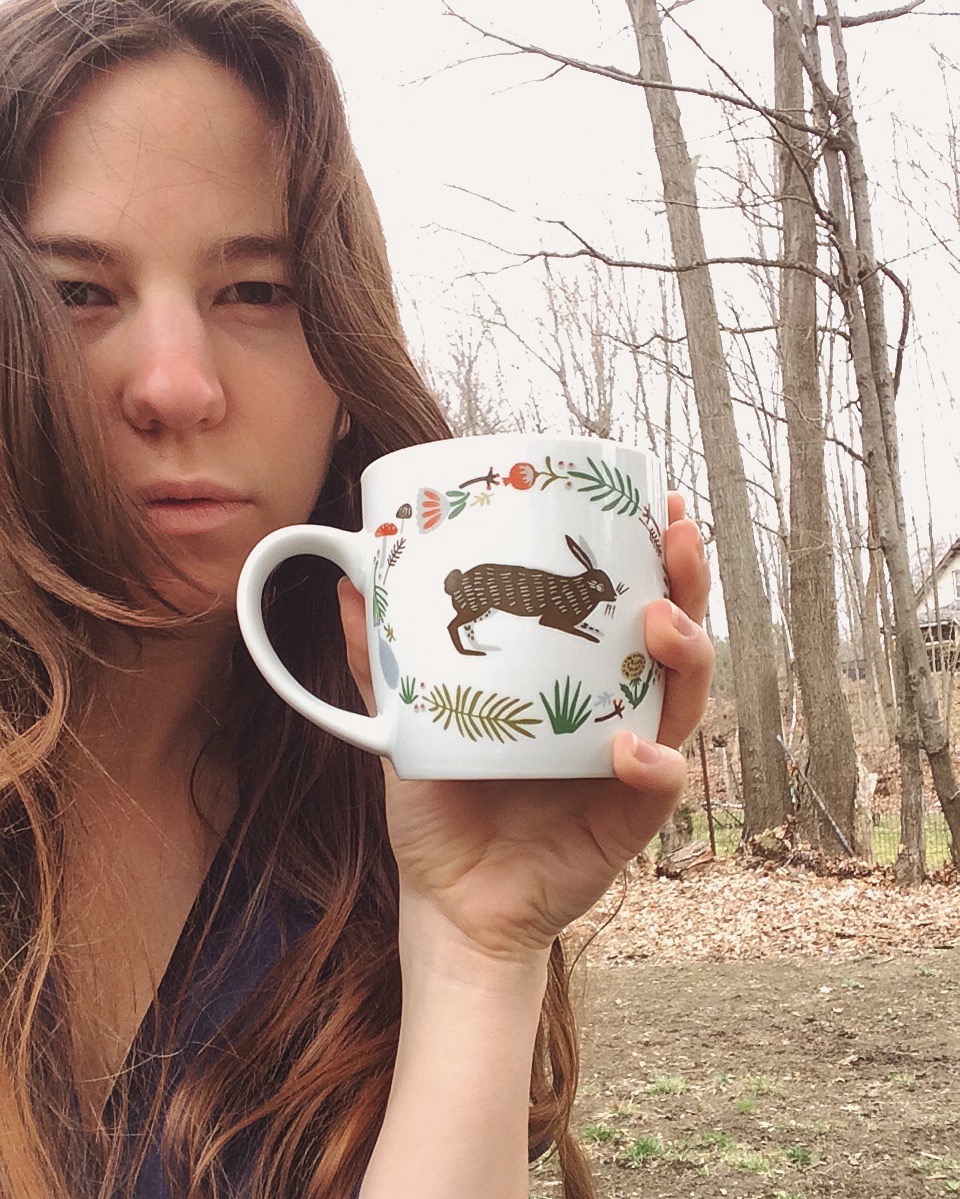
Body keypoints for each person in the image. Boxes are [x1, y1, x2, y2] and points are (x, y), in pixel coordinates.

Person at [0, 1, 714, 1196]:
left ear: (342, 365)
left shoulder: (363, 843)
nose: (176, 386)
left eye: (257, 290)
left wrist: (473, 950)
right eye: (78, 292)